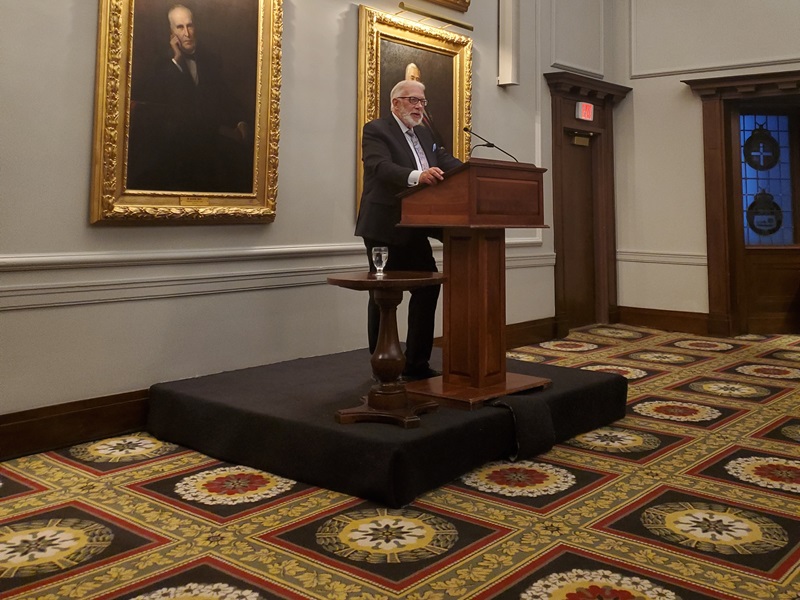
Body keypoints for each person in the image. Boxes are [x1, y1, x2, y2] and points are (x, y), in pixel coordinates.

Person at [355, 79, 463, 380]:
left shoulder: (425, 133)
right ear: (396, 103)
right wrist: (418, 176)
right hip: (384, 226)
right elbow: (379, 167)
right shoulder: (377, 130)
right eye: (413, 100)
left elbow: (446, 161)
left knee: (428, 287)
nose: (419, 106)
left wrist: (475, 172)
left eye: (422, 101)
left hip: (416, 225)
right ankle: (382, 365)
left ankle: (417, 365)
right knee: (383, 296)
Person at [127, 3, 253, 193]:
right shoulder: (162, 63)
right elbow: (150, 100)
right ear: (171, 32)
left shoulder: (211, 60)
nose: (187, 33)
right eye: (180, 27)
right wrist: (176, 60)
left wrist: (241, 121)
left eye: (190, 25)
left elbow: (225, 97)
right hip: (174, 150)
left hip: (210, 147)